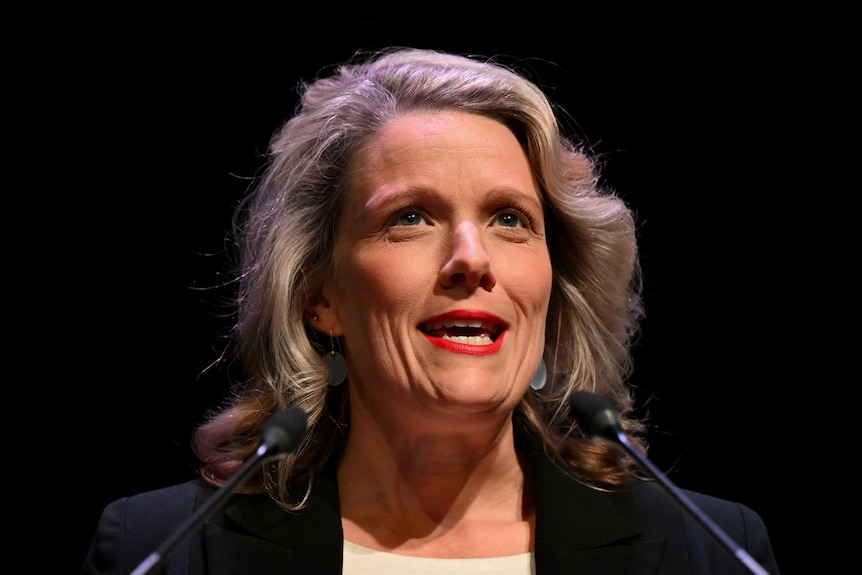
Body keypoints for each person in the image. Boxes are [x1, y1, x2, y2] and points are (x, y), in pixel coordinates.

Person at [81, 47, 780, 574]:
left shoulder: (713, 550)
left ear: (551, 284)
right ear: (321, 297)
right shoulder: (161, 551)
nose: (472, 258)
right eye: (411, 217)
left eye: (510, 218)